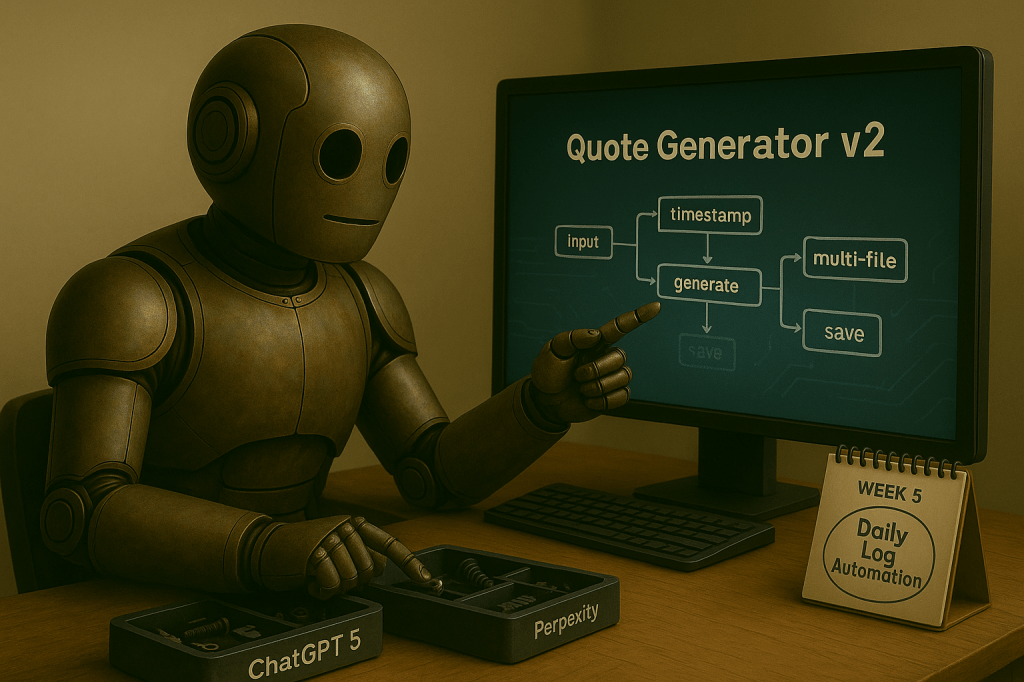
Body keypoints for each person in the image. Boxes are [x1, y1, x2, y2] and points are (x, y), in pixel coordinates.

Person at [38, 24, 659, 600]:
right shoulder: (134, 298)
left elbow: (430, 471)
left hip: (308, 587)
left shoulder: (362, 297)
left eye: (392, 163)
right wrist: (267, 546)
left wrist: (537, 407)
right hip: (153, 601)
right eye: (338, 155)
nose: (371, 188)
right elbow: (84, 509)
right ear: (228, 135)